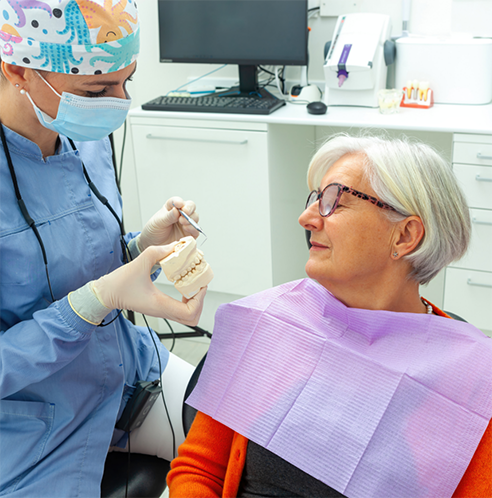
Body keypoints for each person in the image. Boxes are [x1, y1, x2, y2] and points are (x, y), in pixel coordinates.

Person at [167, 134, 492, 498]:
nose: (306, 218)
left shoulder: (473, 383)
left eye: (334, 202)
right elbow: (199, 470)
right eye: (315, 199)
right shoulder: (269, 324)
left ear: (405, 235)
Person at [0, 1, 207, 495]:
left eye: (126, 82)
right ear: (17, 70)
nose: (118, 103)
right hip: (31, 423)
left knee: (259, 444)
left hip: (128, 372)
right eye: (98, 89)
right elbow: (88, 294)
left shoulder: (82, 134)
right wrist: (92, 304)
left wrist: (141, 246)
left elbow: (82, 261)